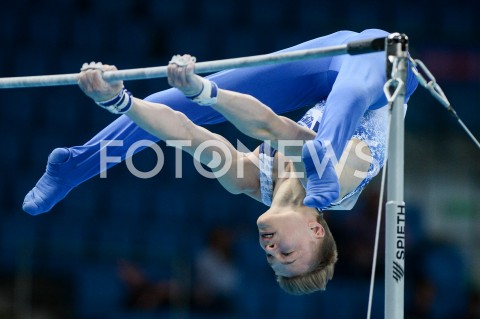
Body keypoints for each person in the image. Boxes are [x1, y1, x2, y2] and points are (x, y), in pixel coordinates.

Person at [22, 29, 417, 216]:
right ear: (315, 232)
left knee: (166, 103)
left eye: (272, 258)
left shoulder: (251, 183)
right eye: (286, 253)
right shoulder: (341, 192)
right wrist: (207, 92)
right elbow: (277, 128)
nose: (270, 249)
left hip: (319, 81)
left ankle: (74, 166)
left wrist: (120, 101)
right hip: (382, 68)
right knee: (351, 96)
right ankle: (323, 152)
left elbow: (186, 133)